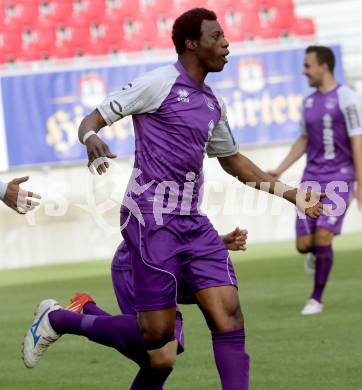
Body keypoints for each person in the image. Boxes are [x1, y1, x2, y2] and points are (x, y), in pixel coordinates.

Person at [22, 9, 324, 390]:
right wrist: (91, 138)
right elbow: (92, 118)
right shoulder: (159, 84)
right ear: (191, 44)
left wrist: (292, 194)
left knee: (228, 316)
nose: (226, 43)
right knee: (158, 341)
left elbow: (232, 162)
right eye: (216, 36)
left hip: (193, 222)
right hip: (150, 219)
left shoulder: (212, 103)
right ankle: (60, 319)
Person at [64, 228, 248, 388]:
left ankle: (84, 309)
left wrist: (216, 242)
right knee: (160, 356)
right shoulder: (154, 193)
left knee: (159, 360)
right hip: (141, 264)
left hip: (172, 261)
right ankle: (69, 318)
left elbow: (187, 221)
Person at [268, 46, 362, 316]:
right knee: (304, 245)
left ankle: (315, 299)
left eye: (308, 66)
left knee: (323, 236)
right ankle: (315, 255)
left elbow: (357, 140)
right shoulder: (308, 102)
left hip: (340, 177)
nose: (304, 71)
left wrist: (360, 182)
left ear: (323, 67)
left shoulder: (348, 98)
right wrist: (280, 169)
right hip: (311, 179)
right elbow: (303, 140)